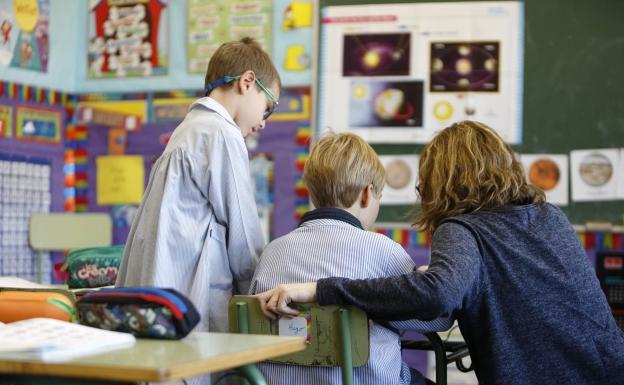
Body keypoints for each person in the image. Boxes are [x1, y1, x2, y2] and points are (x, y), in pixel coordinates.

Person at [257, 121, 624, 385]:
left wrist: (323, 290)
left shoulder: (271, 253)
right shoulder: (550, 216)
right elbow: (438, 311)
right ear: (369, 194)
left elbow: (439, 293)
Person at [249, 132, 451, 385]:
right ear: (368, 194)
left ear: (313, 193)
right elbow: (438, 317)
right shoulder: (383, 251)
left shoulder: (272, 253)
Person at [116, 37, 281, 336]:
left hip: (160, 296)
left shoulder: (187, 130)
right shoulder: (222, 134)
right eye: (267, 108)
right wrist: (259, 292)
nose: (263, 123)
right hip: (189, 301)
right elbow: (243, 233)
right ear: (247, 82)